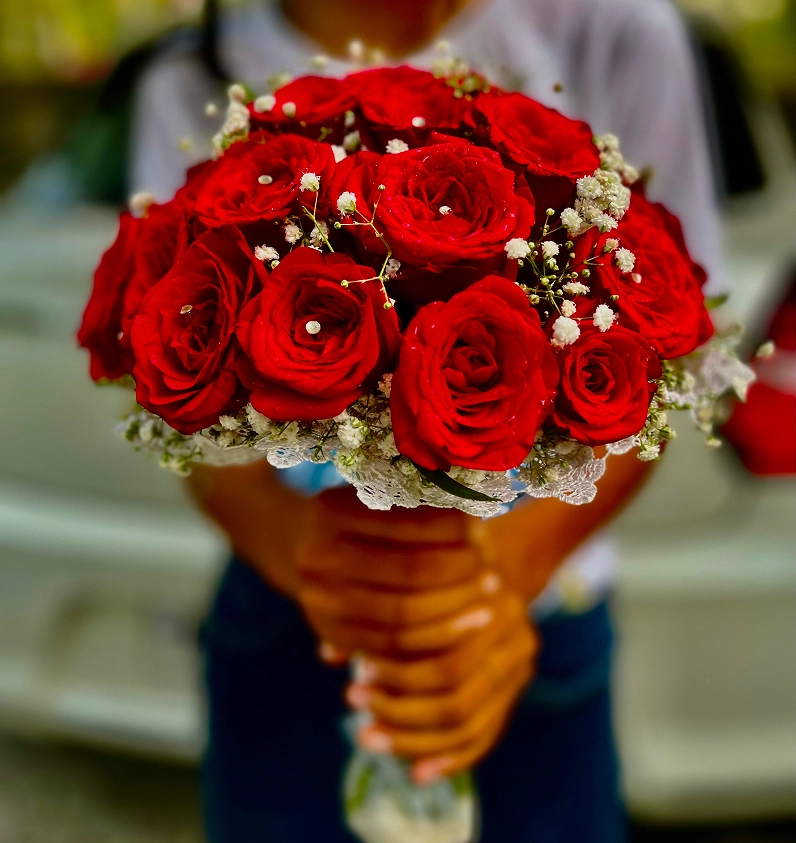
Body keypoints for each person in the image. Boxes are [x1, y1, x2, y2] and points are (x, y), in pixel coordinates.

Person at [129, 0, 725, 840]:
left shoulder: (618, 30)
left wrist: (485, 592)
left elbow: (672, 357)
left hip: (535, 609)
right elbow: (174, 396)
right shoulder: (185, 71)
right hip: (289, 605)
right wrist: (316, 561)